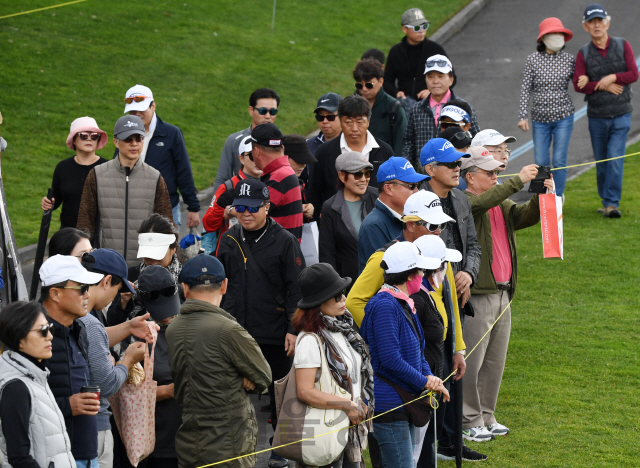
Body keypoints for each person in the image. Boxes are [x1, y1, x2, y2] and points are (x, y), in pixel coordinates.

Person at [459, 150, 553, 442]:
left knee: (495, 361)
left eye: (496, 172)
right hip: (479, 295)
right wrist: (517, 180)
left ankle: (486, 415)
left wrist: (539, 194)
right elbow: (483, 202)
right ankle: (468, 419)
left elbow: (524, 216)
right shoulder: (466, 202)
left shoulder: (501, 203)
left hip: (503, 293)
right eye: (489, 173)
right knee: (472, 362)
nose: (494, 177)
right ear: (469, 176)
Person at [216, 178, 304, 468]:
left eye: (253, 208)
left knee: (282, 395)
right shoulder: (228, 241)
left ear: (267, 207)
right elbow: (219, 287)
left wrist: (292, 329)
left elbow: (297, 289)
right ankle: (239, 449)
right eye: (239, 208)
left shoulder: (285, 241)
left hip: (275, 333)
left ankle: (282, 450)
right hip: (236, 332)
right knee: (236, 396)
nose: (246, 213)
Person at [166, 255, 272, 468]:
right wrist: (240, 376)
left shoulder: (172, 330)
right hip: (229, 445)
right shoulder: (229, 330)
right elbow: (263, 377)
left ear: (185, 288)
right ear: (224, 285)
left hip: (189, 441)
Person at [360, 241, 449, 468]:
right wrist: (424, 381)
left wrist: (431, 378)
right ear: (410, 275)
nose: (424, 275)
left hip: (404, 402)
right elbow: (390, 359)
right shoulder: (384, 306)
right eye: (420, 271)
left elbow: (417, 351)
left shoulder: (401, 303)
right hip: (390, 406)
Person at [292, 263, 374, 468]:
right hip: (323, 431)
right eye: (337, 295)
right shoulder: (311, 339)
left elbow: (353, 375)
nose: (343, 298)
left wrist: (358, 400)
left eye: (343, 292)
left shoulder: (342, 328)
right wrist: (347, 404)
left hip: (347, 429)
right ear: (319, 301)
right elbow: (304, 391)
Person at [79, 249, 150, 468]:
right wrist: (127, 360)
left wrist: (129, 326)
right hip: (94, 427)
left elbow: (94, 340)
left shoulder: (80, 314)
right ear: (107, 281)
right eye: (118, 290)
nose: (115, 298)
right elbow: (107, 385)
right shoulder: (88, 321)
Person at [76, 115, 173, 265]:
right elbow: (85, 223)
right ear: (116, 142)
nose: (134, 144)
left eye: (138, 138)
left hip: (145, 266)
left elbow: (167, 225)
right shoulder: (96, 175)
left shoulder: (155, 178)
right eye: (128, 139)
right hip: (106, 266)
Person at [39, 255, 106, 468]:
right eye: (81, 288)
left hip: (87, 454)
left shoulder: (78, 330)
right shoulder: (35, 337)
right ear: (55, 293)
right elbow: (21, 402)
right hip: (56, 458)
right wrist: (67, 406)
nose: (87, 294)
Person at [573, 3, 638, 218]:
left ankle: (611, 204)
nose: (597, 25)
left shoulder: (623, 45)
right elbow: (579, 85)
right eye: (592, 22)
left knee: (614, 158)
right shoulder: (583, 53)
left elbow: (633, 74)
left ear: (607, 23)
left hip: (621, 114)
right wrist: (603, 83)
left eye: (600, 21)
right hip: (597, 117)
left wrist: (614, 77)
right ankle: (605, 200)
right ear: (586, 27)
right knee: (601, 161)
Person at [0, 301, 75, 468]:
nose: (49, 336)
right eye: (42, 331)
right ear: (18, 338)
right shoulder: (15, 387)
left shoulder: (36, 375)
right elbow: (18, 457)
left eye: (50, 328)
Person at [120, 84, 200, 228]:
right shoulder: (123, 134)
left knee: (167, 251)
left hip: (166, 209)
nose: (137, 114)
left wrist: (193, 207)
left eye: (141, 109)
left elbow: (183, 171)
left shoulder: (172, 133)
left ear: (153, 106)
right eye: (132, 111)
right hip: (131, 208)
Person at [308, 95, 394, 221]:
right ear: (340, 121)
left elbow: (391, 189)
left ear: (368, 121)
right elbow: (314, 191)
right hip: (335, 223)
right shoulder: (325, 152)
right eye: (348, 122)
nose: (354, 128)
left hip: (376, 221)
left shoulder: (384, 151)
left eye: (360, 122)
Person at [518, 18, 576, 198]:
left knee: (559, 160)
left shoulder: (569, 59)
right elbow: (525, 88)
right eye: (553, 34)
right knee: (541, 162)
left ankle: (557, 196)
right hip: (540, 120)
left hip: (563, 117)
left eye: (559, 34)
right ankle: (543, 198)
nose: (557, 37)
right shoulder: (533, 60)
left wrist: (587, 81)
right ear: (543, 39)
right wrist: (522, 116)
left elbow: (579, 83)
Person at [420, 139, 480, 309]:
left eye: (458, 163)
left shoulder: (461, 198)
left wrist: (468, 275)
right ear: (430, 169)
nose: (457, 168)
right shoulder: (417, 202)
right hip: (430, 296)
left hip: (459, 294)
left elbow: (473, 245)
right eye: (450, 163)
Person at [136, 266, 183, 468]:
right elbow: (127, 392)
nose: (165, 317)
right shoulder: (137, 333)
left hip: (194, 437)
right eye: (159, 311)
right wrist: (169, 390)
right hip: (155, 440)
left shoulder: (190, 325)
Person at [402, 55, 480, 169]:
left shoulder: (464, 108)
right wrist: (407, 165)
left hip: (455, 170)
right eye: (430, 76)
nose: (435, 81)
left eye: (440, 76)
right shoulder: (416, 109)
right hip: (423, 173)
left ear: (451, 80)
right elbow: (408, 142)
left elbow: (476, 139)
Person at [108, 214, 182, 327]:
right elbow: (112, 323)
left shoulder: (184, 278)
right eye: (147, 253)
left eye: (158, 254)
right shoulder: (131, 275)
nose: (151, 259)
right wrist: (123, 302)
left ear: (173, 249)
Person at [319, 152, 378, 289]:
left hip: (382, 281)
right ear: (342, 176)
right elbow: (327, 253)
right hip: (351, 285)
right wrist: (335, 289)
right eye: (358, 174)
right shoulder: (330, 207)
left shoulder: (378, 198)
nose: (363, 179)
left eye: (367, 173)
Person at [357, 156, 426, 271]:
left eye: (417, 185)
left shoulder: (406, 218)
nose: (416, 191)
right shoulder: (374, 226)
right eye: (411, 186)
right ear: (388, 189)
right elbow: (386, 274)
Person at [41, 117, 108, 229]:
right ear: (74, 140)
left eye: (94, 136)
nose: (89, 139)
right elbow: (55, 200)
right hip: (69, 234)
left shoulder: (107, 167)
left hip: (99, 234)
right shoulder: (62, 167)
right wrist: (48, 203)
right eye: (83, 136)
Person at [202, 136, 261, 255]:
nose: (258, 160)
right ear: (241, 159)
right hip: (232, 253)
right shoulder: (228, 187)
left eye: (262, 155)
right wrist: (223, 208)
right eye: (252, 156)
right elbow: (208, 224)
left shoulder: (272, 183)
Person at [214, 88, 280, 191]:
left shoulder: (283, 142)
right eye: (262, 111)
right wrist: (217, 206)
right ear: (251, 110)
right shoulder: (234, 140)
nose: (268, 116)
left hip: (273, 203)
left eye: (273, 111)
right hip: (241, 203)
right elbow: (222, 178)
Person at [249, 123, 304, 241]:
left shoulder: (278, 178)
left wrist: (229, 210)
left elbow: (251, 214)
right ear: (282, 149)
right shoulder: (284, 173)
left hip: (277, 254)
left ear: (256, 151)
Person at [383, 8, 447, 103]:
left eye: (424, 26)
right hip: (405, 106)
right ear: (405, 29)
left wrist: (432, 91)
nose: (422, 31)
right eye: (416, 28)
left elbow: (450, 77)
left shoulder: (435, 50)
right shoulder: (396, 52)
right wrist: (396, 93)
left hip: (431, 105)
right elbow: (387, 81)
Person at [353, 58, 407, 155]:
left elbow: (402, 146)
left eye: (369, 85)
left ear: (381, 82)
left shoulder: (395, 108)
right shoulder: (350, 107)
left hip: (386, 166)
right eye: (359, 85)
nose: (364, 89)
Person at [282, 134, 317, 221]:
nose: (303, 165)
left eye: (305, 161)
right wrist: (296, 209)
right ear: (283, 156)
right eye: (298, 160)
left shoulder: (299, 182)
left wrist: (307, 208)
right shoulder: (272, 183)